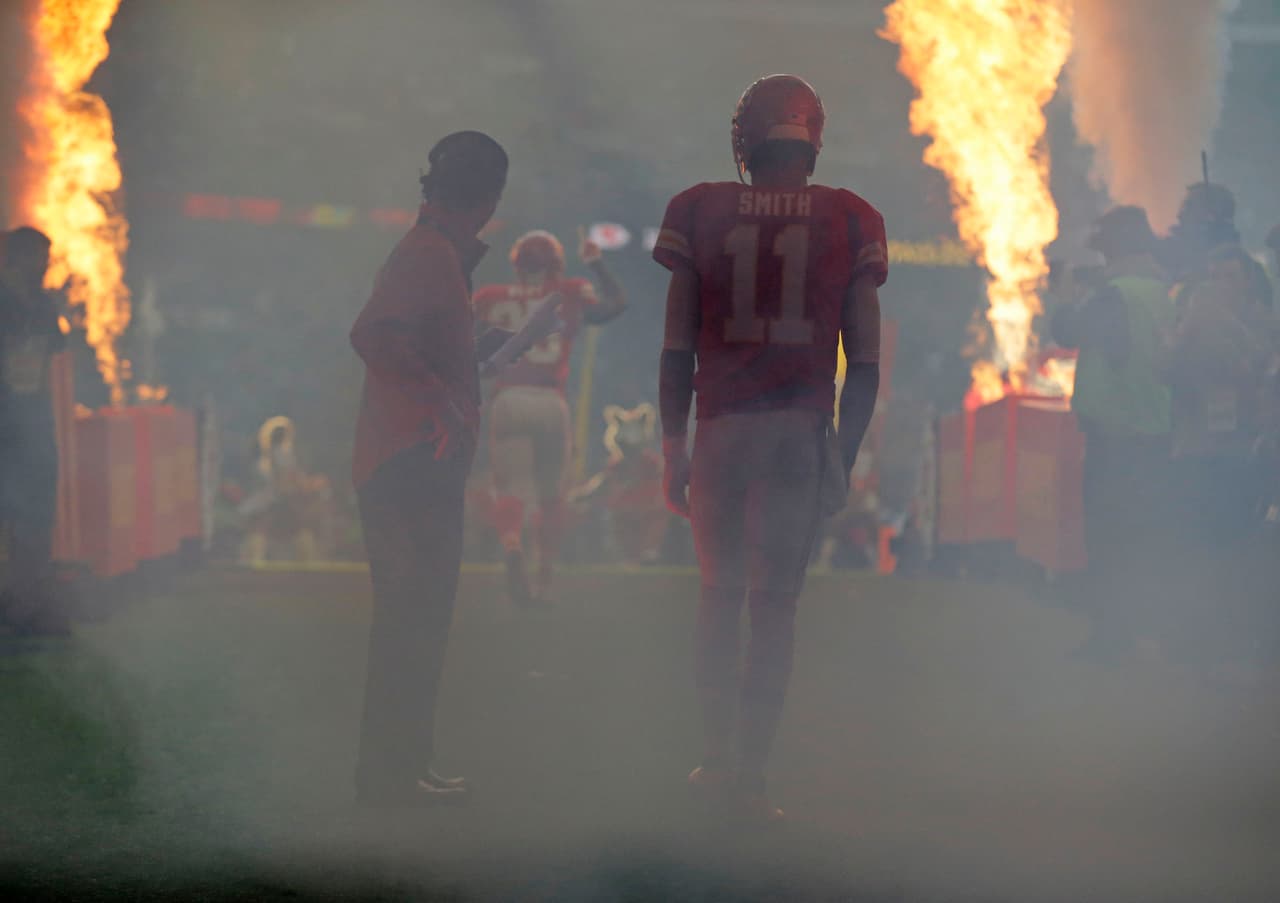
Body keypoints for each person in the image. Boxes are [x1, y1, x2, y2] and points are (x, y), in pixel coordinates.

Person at [654, 74, 887, 823]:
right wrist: (842, 457)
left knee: (719, 598)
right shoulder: (851, 218)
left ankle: (714, 760)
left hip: (722, 426)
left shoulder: (700, 208)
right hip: (796, 429)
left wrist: (670, 444)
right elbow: (869, 360)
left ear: (748, 140)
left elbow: (674, 347)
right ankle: (753, 778)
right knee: (775, 608)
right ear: (812, 141)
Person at [348, 130, 509, 806]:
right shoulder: (428, 254)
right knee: (413, 619)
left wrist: (464, 368)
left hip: (412, 458)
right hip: (409, 462)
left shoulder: (436, 251)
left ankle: (404, 766)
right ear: (488, 198)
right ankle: (392, 773)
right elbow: (373, 334)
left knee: (415, 620)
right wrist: (440, 396)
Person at [473, 228, 626, 605]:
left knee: (510, 488)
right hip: (549, 399)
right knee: (550, 495)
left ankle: (512, 546)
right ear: (555, 263)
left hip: (508, 397)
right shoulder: (570, 292)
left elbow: (465, 342)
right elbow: (616, 304)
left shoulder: (490, 297)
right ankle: (543, 578)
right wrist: (597, 264)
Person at [1050, 206, 1173, 661]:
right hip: (1155, 428)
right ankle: (1147, 630)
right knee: (1143, 537)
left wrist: (1066, 294)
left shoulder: (1115, 295)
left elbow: (1068, 332)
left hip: (1117, 435)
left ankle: (1112, 638)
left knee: (1109, 538)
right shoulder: (1160, 290)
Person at [1164, 242, 1278, 666]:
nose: (1220, 285)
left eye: (1230, 277)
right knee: (1196, 545)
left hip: (1240, 452)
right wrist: (1191, 328)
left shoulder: (1261, 322)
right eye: (1214, 276)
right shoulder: (1194, 320)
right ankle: (1197, 641)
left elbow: (1257, 372)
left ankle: (1237, 645)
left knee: (1236, 550)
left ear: (1248, 282)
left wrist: (1225, 325)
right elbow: (1167, 371)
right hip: (1195, 448)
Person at [0, 226, 69, 636]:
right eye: (37, 259)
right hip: (5, 425)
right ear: (15, 258)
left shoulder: (44, 306)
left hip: (35, 424)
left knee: (37, 515)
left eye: (46, 259)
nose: (44, 267)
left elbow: (50, 360)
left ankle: (30, 604)